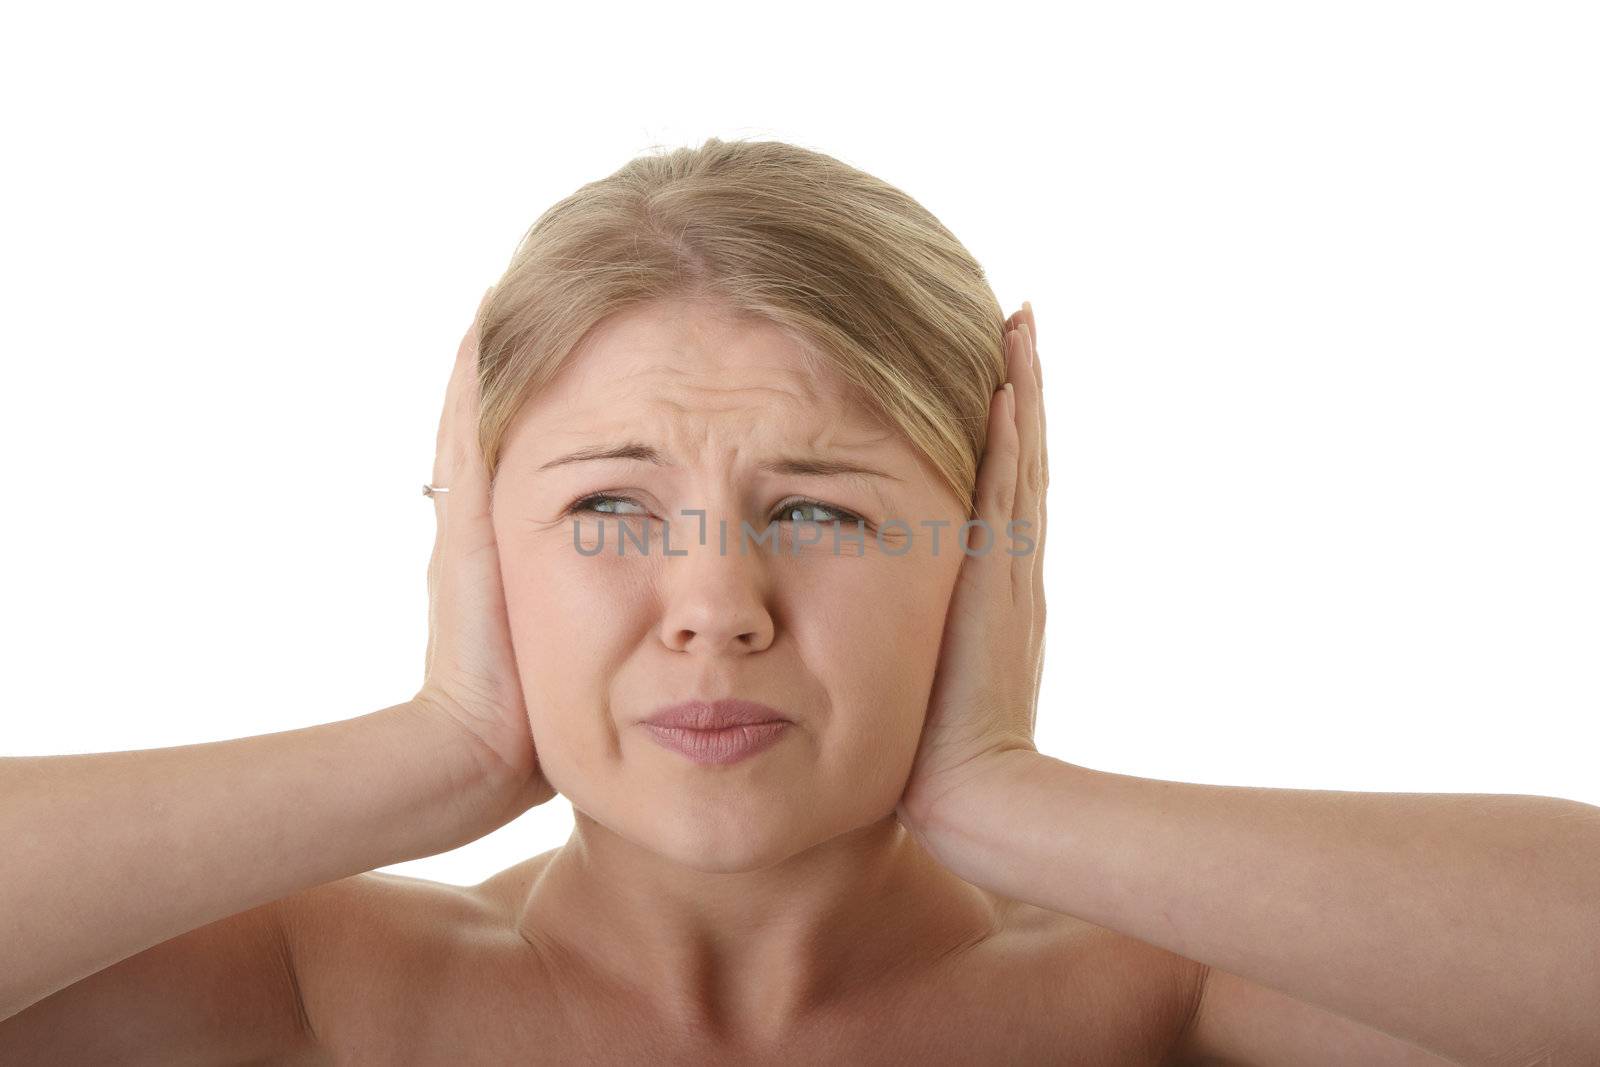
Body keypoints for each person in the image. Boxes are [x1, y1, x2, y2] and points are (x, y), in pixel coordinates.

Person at [3, 138, 1596, 1065]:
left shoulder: (1158, 991)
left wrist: (1001, 799)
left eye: (821, 509)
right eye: (608, 506)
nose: (716, 604)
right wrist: (446, 742)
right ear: (479, 550)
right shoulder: (322, 994)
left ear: (988, 552)